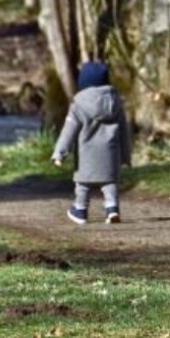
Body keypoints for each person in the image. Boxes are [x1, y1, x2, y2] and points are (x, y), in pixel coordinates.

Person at [51, 61, 132, 225]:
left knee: (82, 185)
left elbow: (69, 131)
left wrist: (60, 153)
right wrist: (126, 156)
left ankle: (80, 211)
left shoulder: (79, 104)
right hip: (110, 155)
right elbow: (124, 131)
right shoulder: (115, 102)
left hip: (86, 156)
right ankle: (112, 209)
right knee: (110, 183)